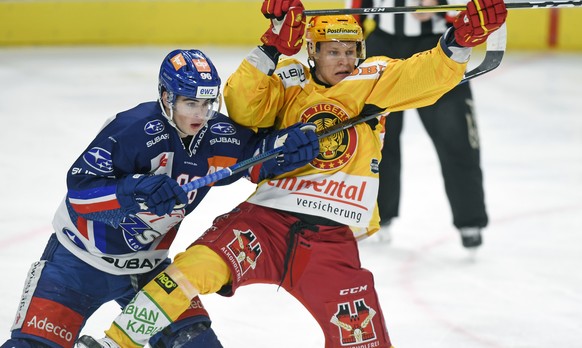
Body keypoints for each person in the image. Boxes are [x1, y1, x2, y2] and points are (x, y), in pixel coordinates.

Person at [77, 0, 507, 346]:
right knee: (187, 271)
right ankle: (117, 344)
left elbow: (424, 76)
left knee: (364, 339)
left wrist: (457, 43)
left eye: (350, 51)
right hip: (264, 224)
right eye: (333, 51)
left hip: (331, 243)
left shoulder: (377, 80)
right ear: (312, 51)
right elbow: (244, 109)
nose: (344, 60)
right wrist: (268, 48)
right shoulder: (288, 79)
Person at [2, 48, 319, 348]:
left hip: (148, 270)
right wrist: (135, 191)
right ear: (167, 97)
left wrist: (285, 148)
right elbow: (80, 192)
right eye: (190, 103)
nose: (200, 114)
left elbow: (252, 159)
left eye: (207, 103)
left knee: (196, 342)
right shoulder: (133, 129)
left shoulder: (217, 134)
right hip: (79, 263)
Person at [350, 0, 489, 248]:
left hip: (441, 46)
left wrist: (442, 4)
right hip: (382, 44)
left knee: (456, 135)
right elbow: (356, 6)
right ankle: (377, 215)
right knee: (374, 138)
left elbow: (470, 7)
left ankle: (470, 219)